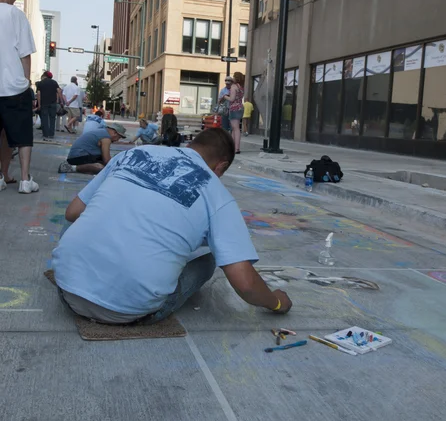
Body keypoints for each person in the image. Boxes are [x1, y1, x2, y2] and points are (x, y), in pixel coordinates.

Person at [52, 128, 292, 324]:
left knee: (84, 217)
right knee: (209, 259)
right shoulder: (216, 192)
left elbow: (72, 212)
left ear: (191, 147)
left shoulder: (134, 154)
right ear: (220, 167)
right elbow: (246, 284)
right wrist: (276, 302)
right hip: (128, 309)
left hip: (68, 290)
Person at [0, 0, 39, 194]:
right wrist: (26, 82)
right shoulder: (15, 14)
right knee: (23, 136)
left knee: (2, 135)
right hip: (13, 87)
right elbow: (25, 53)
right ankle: (25, 180)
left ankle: (2, 175)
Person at [58, 122, 126, 175]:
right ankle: (70, 168)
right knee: (101, 168)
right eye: (119, 137)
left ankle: (84, 168)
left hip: (79, 155)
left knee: (103, 166)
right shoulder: (106, 138)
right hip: (78, 156)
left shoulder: (102, 132)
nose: (117, 140)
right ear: (114, 133)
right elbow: (106, 160)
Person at [36, 71, 63, 141]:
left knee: (44, 119)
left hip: (44, 103)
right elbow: (59, 91)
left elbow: (38, 94)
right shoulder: (54, 82)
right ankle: (51, 134)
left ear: (44, 76)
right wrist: (61, 101)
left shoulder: (40, 83)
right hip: (53, 103)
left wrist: (39, 104)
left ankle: (45, 134)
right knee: (52, 118)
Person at [223, 71, 244, 154]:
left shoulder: (233, 86)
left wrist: (225, 96)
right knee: (235, 128)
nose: (233, 78)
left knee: (235, 129)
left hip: (234, 108)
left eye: (234, 76)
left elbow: (231, 99)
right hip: (240, 107)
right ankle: (234, 147)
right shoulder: (241, 87)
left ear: (236, 78)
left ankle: (236, 148)